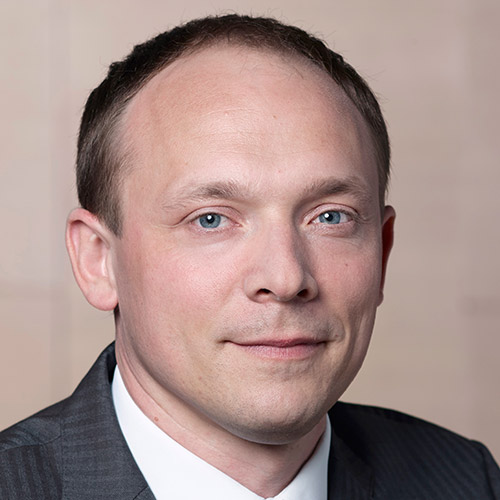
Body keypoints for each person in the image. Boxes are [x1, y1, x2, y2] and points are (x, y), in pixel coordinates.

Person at [0, 14, 498, 499]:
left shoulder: (468, 480)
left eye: (330, 217)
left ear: (382, 252)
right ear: (98, 261)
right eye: (211, 219)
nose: (285, 278)